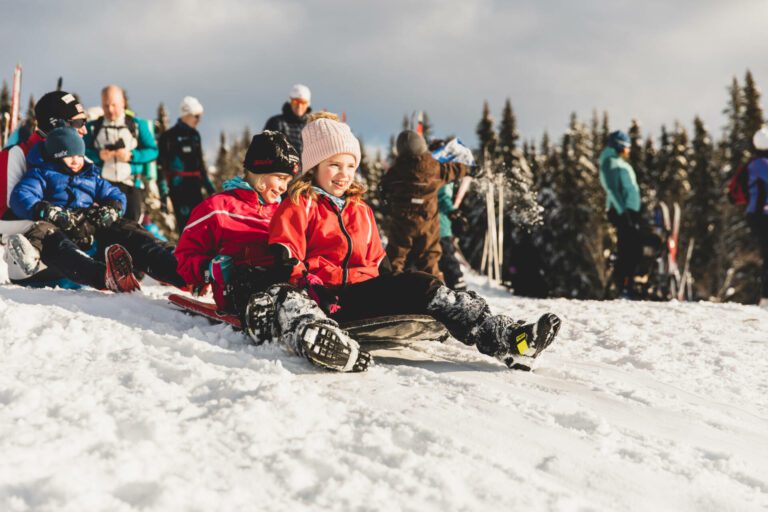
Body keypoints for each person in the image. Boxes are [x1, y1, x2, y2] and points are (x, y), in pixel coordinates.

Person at [269, 113, 561, 371]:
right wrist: (308, 286)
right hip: (323, 298)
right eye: (334, 165)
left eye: (349, 165)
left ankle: (508, 339)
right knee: (289, 299)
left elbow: (378, 264)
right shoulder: (299, 204)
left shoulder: (361, 210)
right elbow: (287, 256)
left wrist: (404, 291)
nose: (344, 174)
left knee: (422, 282)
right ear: (313, 168)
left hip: (360, 295)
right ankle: (322, 341)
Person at [175, 131, 369, 372]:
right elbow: (183, 257)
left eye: (288, 180)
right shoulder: (218, 208)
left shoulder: (285, 208)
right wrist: (208, 270)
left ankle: (316, 328)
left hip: (284, 282)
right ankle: (309, 335)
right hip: (241, 286)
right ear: (259, 172)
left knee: (293, 293)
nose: (284, 187)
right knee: (282, 296)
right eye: (279, 178)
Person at [9, 126, 185, 292]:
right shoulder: (42, 173)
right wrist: (47, 210)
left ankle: (178, 269)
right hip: (57, 226)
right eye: (69, 156)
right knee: (50, 237)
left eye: (79, 155)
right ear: (56, 156)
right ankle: (104, 276)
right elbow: (21, 195)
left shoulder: (89, 175)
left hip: (87, 227)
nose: (76, 160)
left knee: (127, 229)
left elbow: (114, 194)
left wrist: (112, 209)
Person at [1, 91, 95, 285]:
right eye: (79, 123)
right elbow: (5, 215)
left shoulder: (82, 160)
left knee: (119, 226)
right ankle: (100, 275)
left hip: (76, 253)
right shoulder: (18, 154)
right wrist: (58, 216)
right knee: (49, 229)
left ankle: (171, 266)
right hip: (37, 258)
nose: (85, 131)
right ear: (56, 124)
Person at [380, 130, 471, 279]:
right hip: (428, 223)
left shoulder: (396, 172)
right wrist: (469, 169)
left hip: (402, 224)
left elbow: (384, 188)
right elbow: (453, 170)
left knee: (395, 257)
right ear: (422, 146)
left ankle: (390, 290)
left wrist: (387, 201)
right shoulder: (434, 168)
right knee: (429, 258)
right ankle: (435, 292)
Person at [84, 85, 159, 221]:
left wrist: (131, 155)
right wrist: (98, 155)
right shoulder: (93, 127)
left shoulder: (137, 125)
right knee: (105, 227)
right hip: (103, 186)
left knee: (133, 226)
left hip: (131, 186)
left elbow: (153, 151)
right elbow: (83, 152)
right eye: (106, 106)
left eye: (114, 105)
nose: (110, 110)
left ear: (123, 103)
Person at [157, 96, 215, 232]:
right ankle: (185, 252)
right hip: (178, 188)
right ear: (186, 114)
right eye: (196, 116)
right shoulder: (168, 136)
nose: (198, 120)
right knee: (185, 226)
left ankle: (202, 252)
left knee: (201, 223)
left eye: (200, 116)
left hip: (195, 186)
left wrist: (210, 189)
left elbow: (201, 164)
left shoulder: (195, 135)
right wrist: (163, 193)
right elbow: (161, 166)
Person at [599, 130, 642, 297]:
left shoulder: (617, 161)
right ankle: (623, 287)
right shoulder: (609, 162)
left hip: (629, 211)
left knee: (633, 248)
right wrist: (623, 212)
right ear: (619, 146)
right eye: (626, 147)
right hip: (621, 212)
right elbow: (612, 189)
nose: (628, 150)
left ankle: (628, 285)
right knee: (628, 248)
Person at [747, 127, 768, 306]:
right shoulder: (763, 164)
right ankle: (765, 297)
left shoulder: (752, 163)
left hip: (755, 215)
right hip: (764, 215)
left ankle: (765, 296)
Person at [264, 84, 312, 157]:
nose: (299, 106)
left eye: (303, 102)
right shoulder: (276, 122)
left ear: (308, 104)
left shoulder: (311, 126)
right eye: (296, 102)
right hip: (282, 167)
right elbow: (265, 149)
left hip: (307, 167)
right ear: (290, 102)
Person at [437, 182, 467, 290]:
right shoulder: (443, 172)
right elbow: (442, 196)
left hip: (440, 226)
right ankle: (458, 290)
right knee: (448, 260)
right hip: (440, 227)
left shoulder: (447, 173)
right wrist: (453, 211)